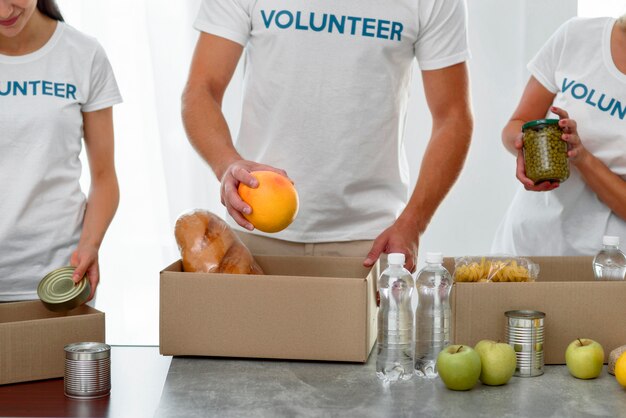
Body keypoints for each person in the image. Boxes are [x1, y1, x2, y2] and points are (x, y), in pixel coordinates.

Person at [182, 0, 473, 271]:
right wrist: (227, 164)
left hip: (371, 242)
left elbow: (453, 117)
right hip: (254, 227)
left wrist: (414, 223)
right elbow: (201, 90)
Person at [0, 0, 121, 302]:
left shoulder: (83, 55)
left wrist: (89, 246)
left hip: (60, 280)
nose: (4, 12)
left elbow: (105, 177)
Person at [492, 15, 626, 256]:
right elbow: (515, 125)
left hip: (603, 262)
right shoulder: (578, 35)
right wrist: (525, 148)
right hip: (527, 242)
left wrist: (582, 158)